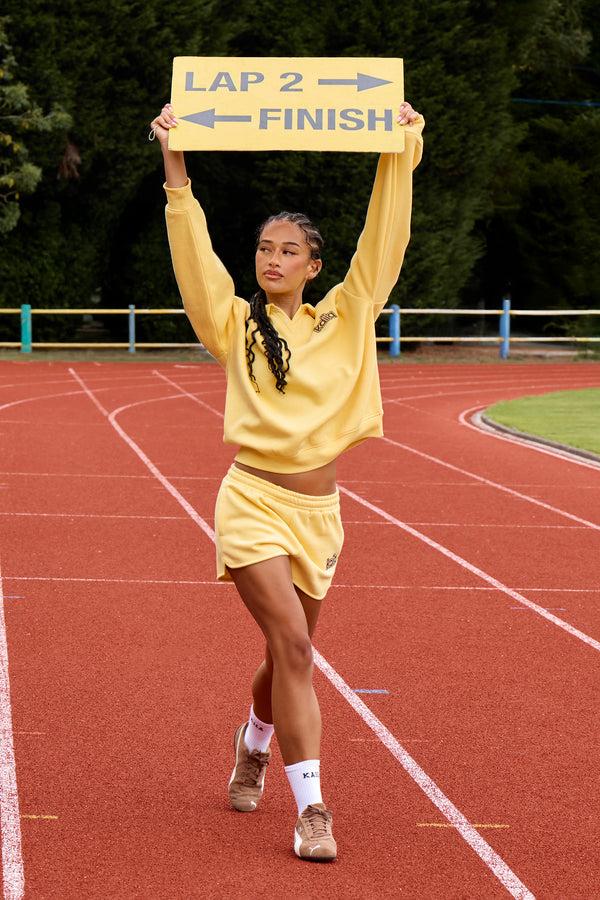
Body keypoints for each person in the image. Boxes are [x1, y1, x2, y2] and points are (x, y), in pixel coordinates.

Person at [150, 98, 424, 862]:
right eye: (264, 247)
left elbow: (385, 238)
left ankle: (255, 738)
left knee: (285, 655)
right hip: (252, 502)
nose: (271, 259)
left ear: (314, 264)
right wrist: (174, 161)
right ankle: (313, 812)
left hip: (320, 514)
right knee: (299, 651)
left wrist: (401, 145)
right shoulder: (234, 324)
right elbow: (194, 253)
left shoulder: (348, 314)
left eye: (287, 250)